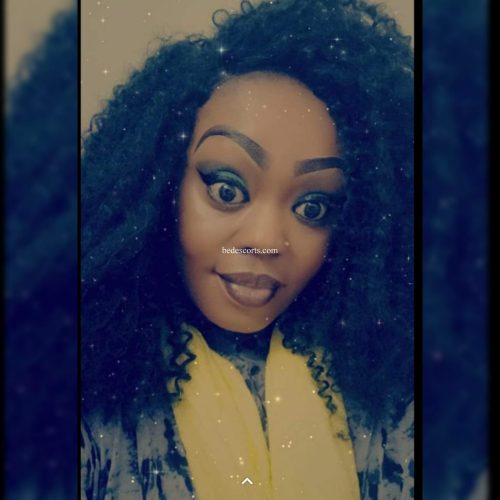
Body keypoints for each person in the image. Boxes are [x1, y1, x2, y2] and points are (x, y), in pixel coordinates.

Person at [81, 0, 414, 498]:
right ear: (159, 184)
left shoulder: (386, 390)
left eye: (313, 207)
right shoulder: (83, 388)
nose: (265, 241)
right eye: (227, 189)